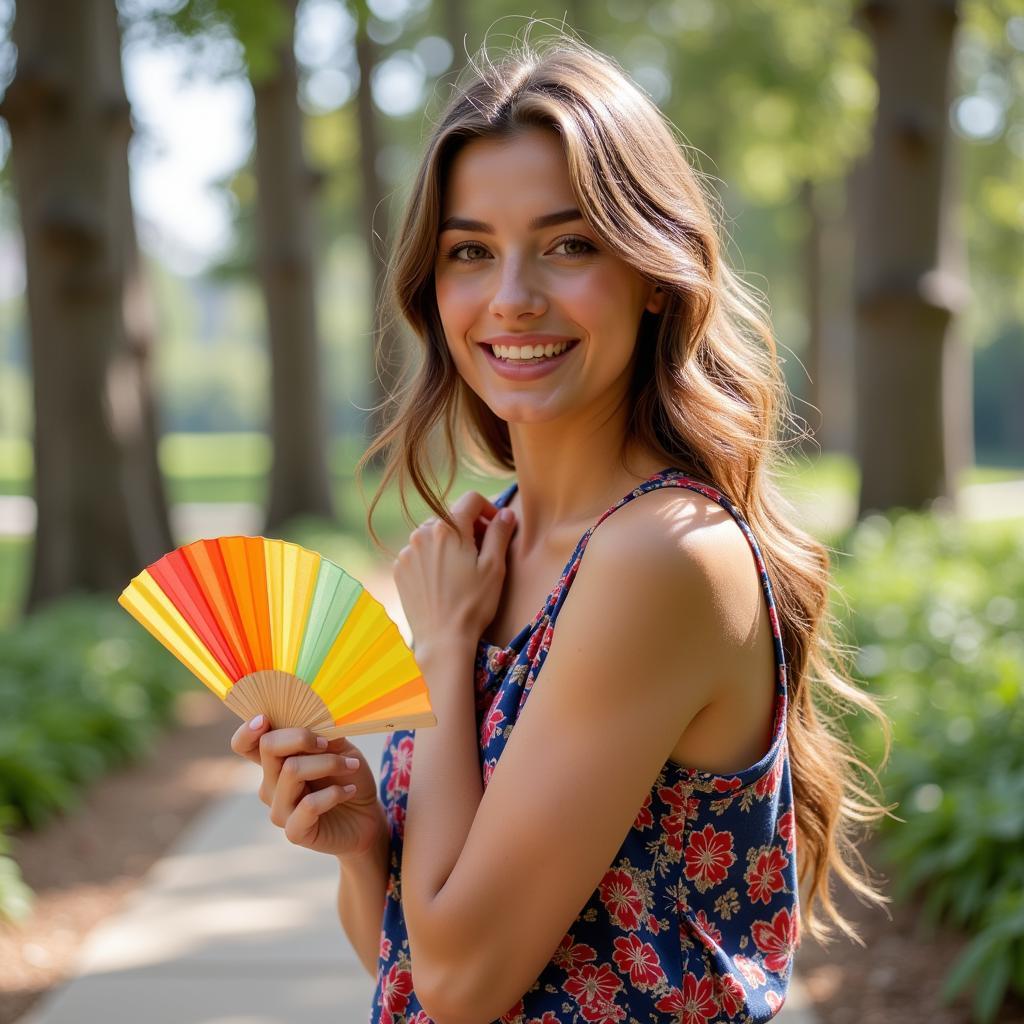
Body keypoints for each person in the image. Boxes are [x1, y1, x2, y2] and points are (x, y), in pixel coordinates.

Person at [230, 21, 892, 1024]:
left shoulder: (662, 556)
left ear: (653, 274)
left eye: (567, 245)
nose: (511, 298)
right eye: (470, 252)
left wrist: (446, 654)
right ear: (431, 286)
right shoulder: (494, 545)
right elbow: (410, 963)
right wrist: (366, 840)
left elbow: (460, 984)